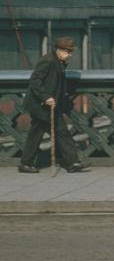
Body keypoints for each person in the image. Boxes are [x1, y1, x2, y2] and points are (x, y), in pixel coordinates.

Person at [19, 37, 89, 174]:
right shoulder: (48, 60)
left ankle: (72, 163)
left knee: (58, 133)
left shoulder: (58, 61)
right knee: (39, 135)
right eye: (68, 52)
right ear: (59, 50)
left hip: (49, 106)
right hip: (41, 106)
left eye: (70, 52)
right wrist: (46, 97)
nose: (70, 55)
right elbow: (35, 80)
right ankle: (26, 163)